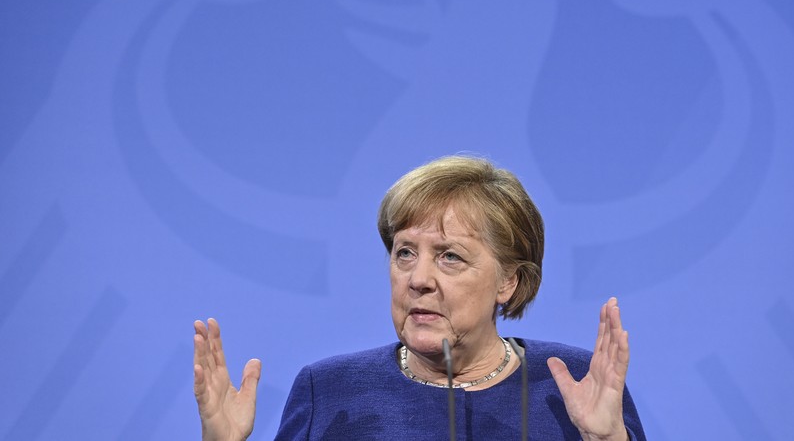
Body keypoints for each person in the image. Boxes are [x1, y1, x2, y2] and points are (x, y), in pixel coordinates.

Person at [194, 155, 646, 440]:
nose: (418, 279)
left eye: (450, 256)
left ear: (508, 281)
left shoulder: (572, 386)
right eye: (404, 253)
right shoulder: (329, 391)